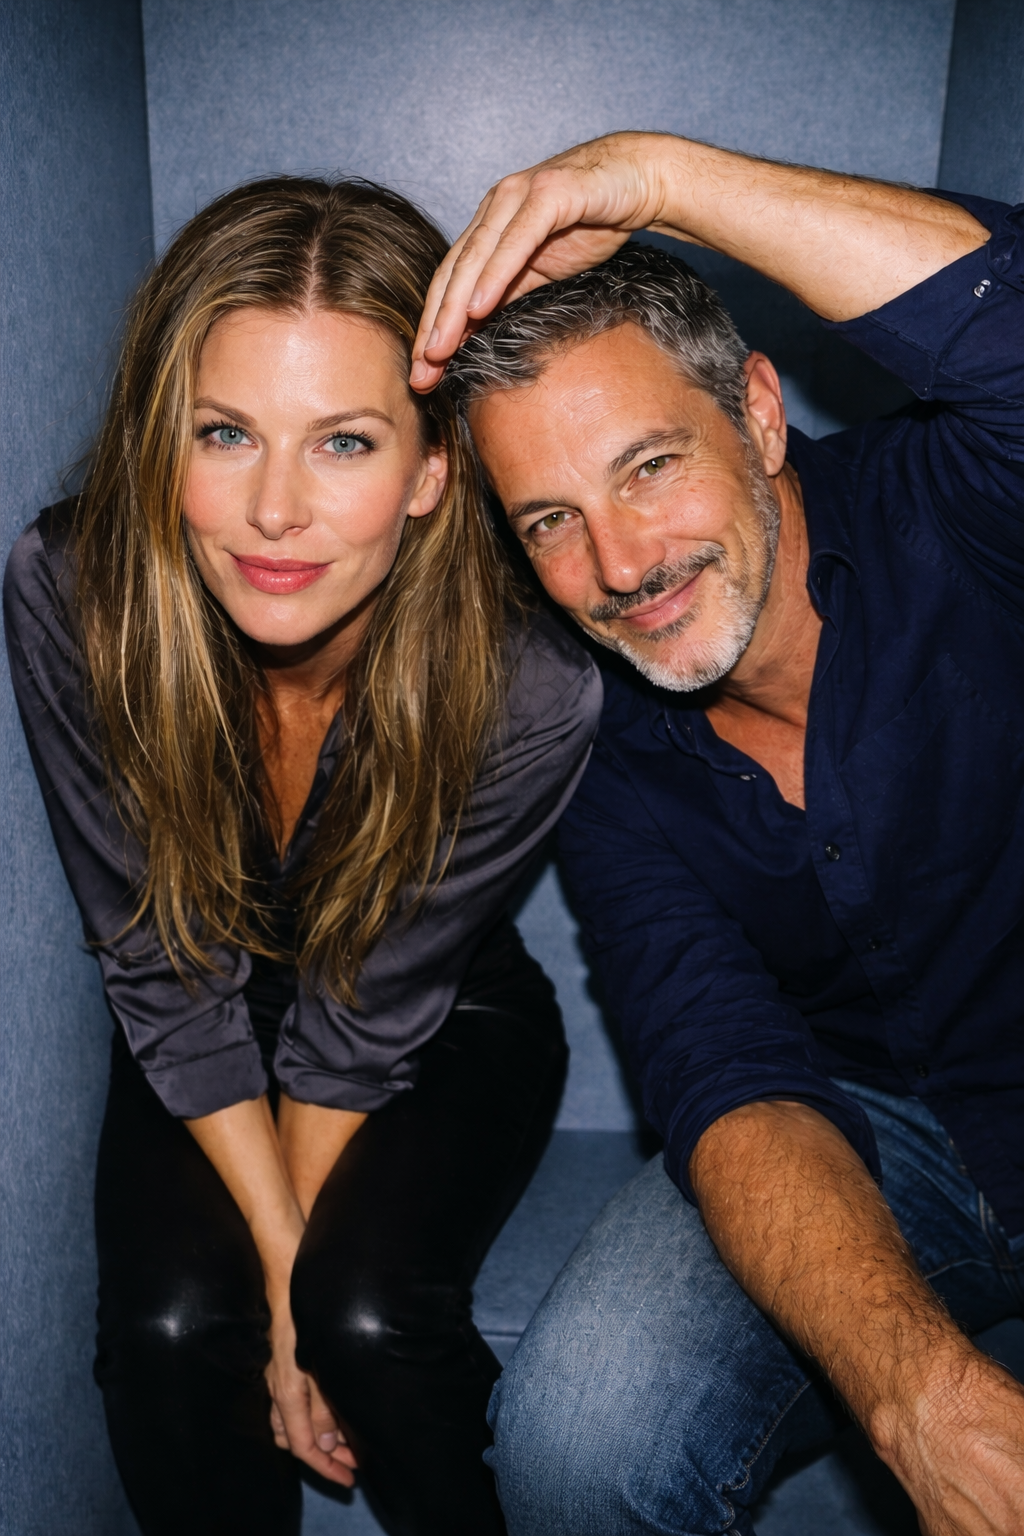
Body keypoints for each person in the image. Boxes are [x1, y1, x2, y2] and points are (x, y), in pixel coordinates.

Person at [413, 133, 1024, 1534]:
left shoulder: (967, 505)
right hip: (864, 1122)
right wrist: (918, 1394)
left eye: (647, 466)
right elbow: (722, 1069)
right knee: (574, 1438)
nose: (620, 567)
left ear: (756, 414)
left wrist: (659, 179)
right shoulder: (606, 741)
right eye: (553, 519)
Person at [3, 175, 601, 1536]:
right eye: (226, 434)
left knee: (370, 1317)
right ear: (166, 441)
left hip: (440, 1010)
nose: (274, 512)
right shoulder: (74, 593)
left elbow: (366, 1013)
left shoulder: (528, 682)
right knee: (164, 1331)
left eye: (343, 444)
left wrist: (307, 1317)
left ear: (433, 469)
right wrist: (277, 1294)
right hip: (204, 1001)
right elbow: (156, 962)